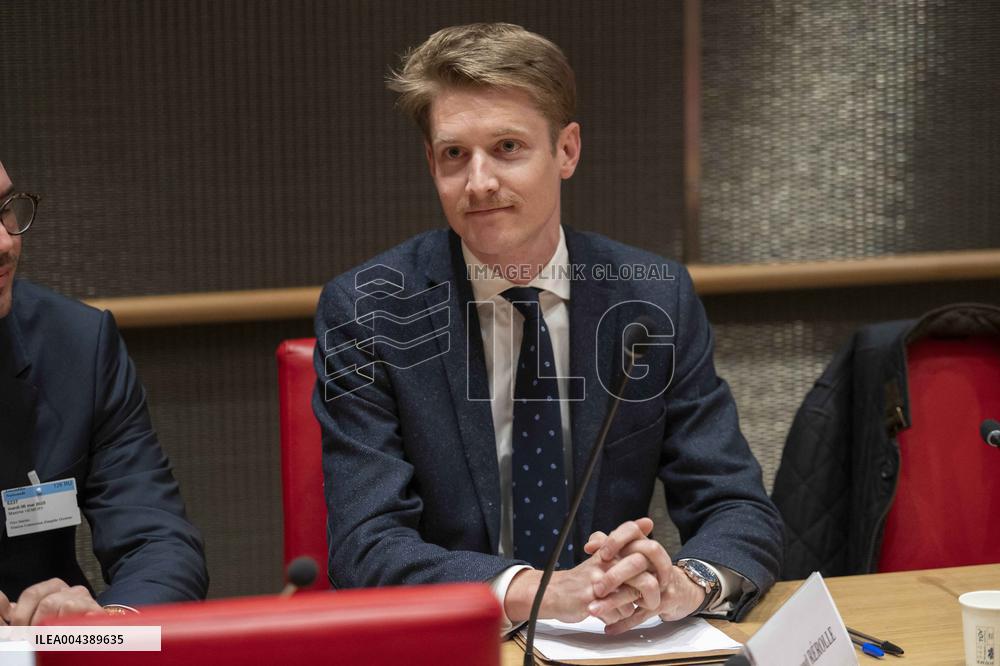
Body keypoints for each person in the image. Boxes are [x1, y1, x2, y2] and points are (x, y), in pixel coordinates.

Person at [313, 23, 782, 634]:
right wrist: (533, 592)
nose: (478, 181)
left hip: (616, 640)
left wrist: (683, 584)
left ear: (566, 151)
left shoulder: (652, 297)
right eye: (455, 154)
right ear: (432, 163)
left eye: (508, 147)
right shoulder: (369, 309)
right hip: (457, 641)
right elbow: (366, 544)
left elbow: (736, 505)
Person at [0, 160, 208, 625]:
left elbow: (158, 541)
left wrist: (108, 627)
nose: (5, 243)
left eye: (4, 210)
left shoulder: (76, 345)